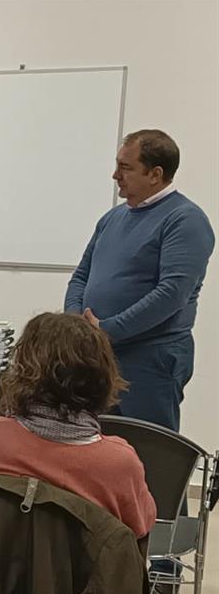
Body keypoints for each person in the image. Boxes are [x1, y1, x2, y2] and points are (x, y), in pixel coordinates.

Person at [65, 129, 214, 432]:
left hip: (150, 361)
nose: (115, 175)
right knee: (97, 450)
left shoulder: (185, 220)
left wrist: (106, 329)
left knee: (148, 455)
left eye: (126, 167)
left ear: (155, 174)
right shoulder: (112, 218)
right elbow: (81, 275)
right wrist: (75, 325)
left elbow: (172, 294)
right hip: (98, 355)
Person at [0, 312, 155, 539]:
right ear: (102, 375)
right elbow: (139, 532)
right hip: (79, 575)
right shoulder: (119, 463)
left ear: (22, 369)